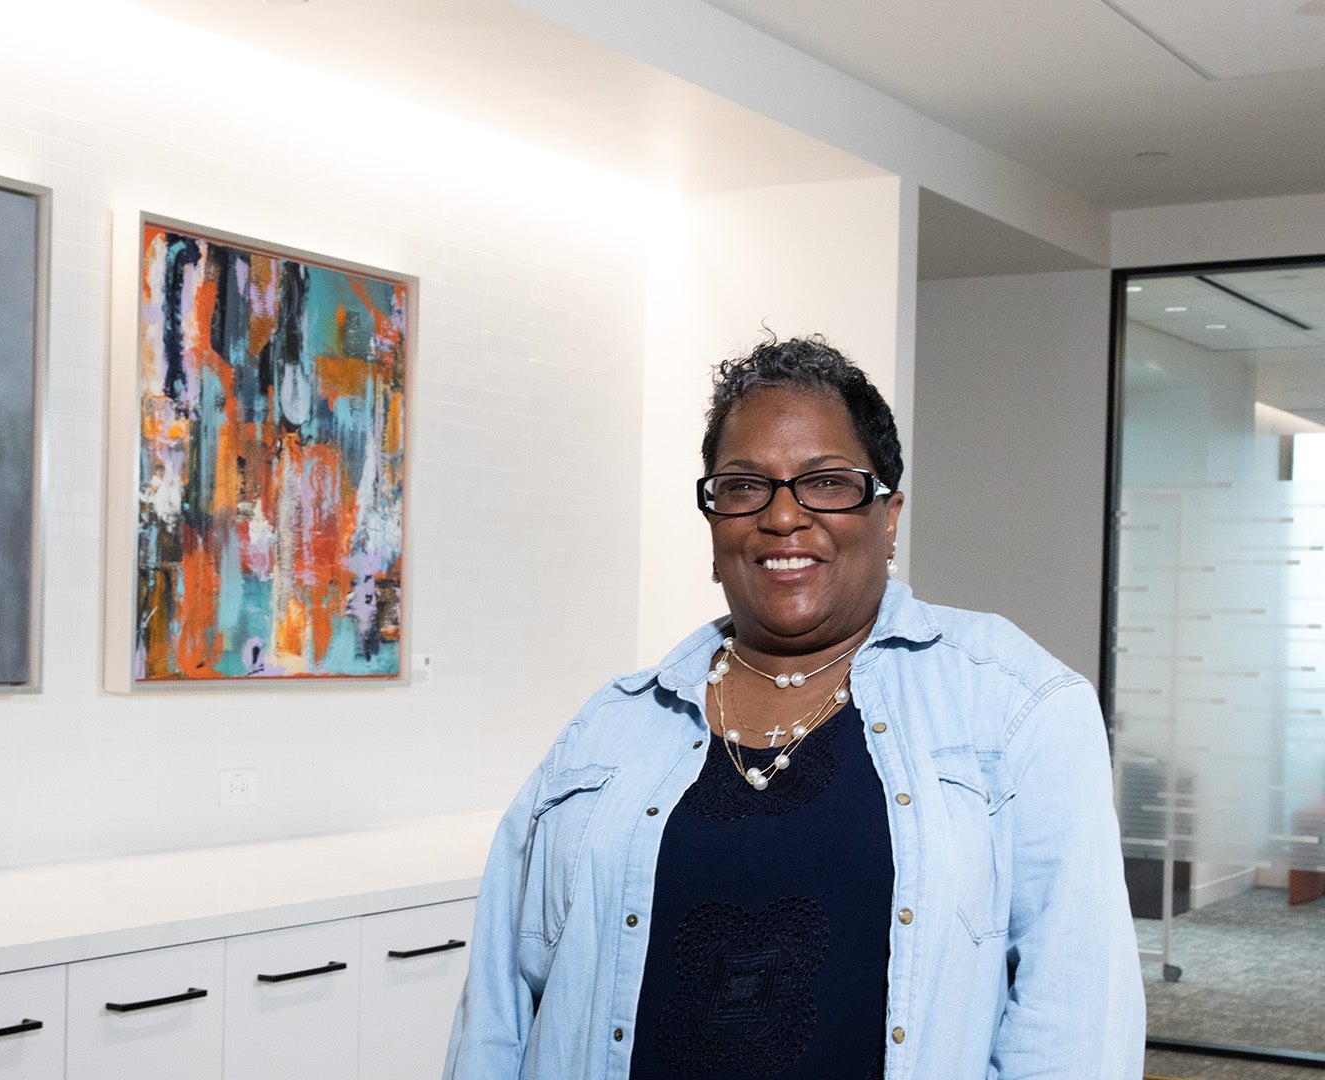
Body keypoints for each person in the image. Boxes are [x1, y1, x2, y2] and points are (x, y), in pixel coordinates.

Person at [442, 336, 1143, 1079]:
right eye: (744, 487)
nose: (783, 517)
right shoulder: (610, 727)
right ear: (715, 527)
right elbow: (498, 1012)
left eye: (827, 484)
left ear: (889, 513)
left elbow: (1075, 1030)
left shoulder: (1017, 707)